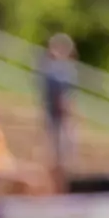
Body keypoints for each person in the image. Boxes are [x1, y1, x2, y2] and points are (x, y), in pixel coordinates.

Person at [39, 32, 78, 190]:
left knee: (59, 156)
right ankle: (57, 189)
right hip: (58, 118)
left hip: (55, 117)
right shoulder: (58, 71)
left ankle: (57, 188)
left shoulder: (52, 69)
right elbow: (63, 99)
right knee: (58, 157)